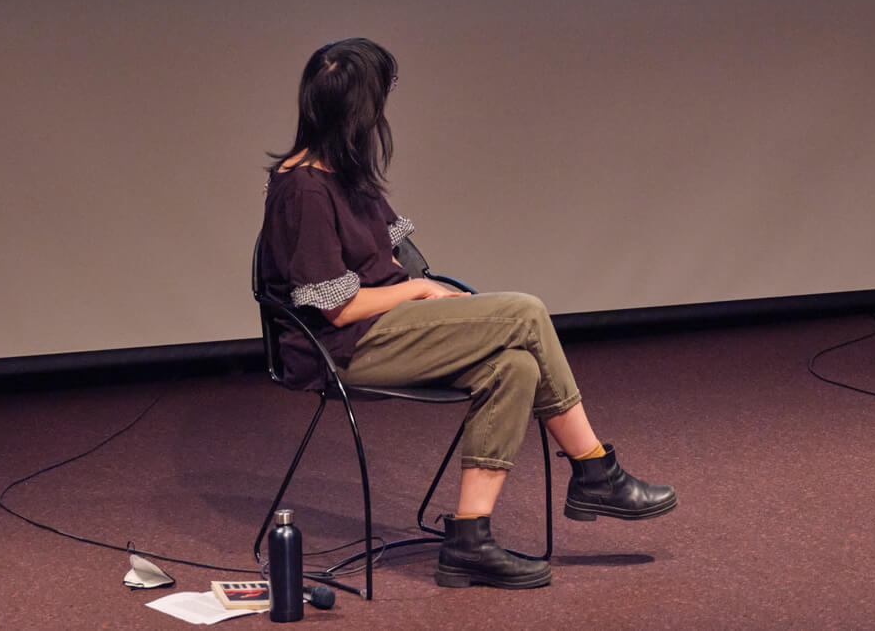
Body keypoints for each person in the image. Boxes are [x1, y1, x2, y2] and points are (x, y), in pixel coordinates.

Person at [256, 37, 676, 590]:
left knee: (516, 368)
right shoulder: (304, 190)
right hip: (342, 347)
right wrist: (419, 292)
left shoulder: (346, 173)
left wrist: (430, 291)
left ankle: (469, 541)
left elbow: (397, 254)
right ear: (357, 112)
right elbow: (336, 308)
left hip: (388, 328)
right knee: (526, 312)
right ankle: (595, 470)